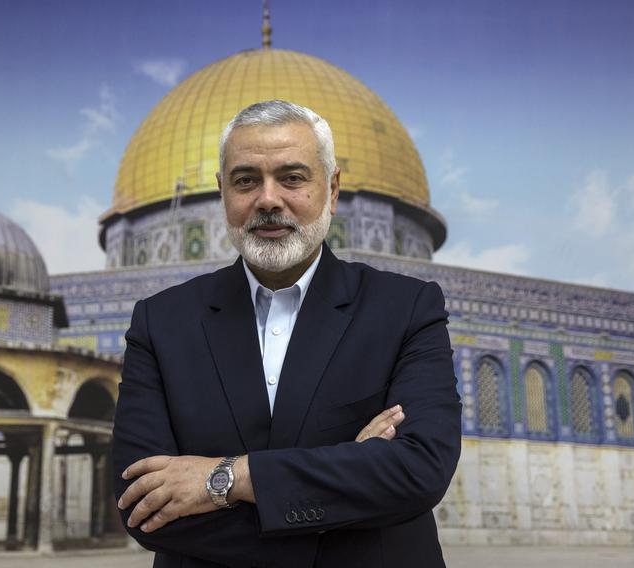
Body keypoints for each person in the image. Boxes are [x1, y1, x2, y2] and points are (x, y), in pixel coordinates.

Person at [113, 99, 461, 568]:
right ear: (222, 193)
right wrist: (348, 481)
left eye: (293, 178)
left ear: (332, 189)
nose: (269, 200)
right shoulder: (162, 323)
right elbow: (143, 505)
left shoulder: (404, 310)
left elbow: (418, 472)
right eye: (246, 181)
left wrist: (227, 478)